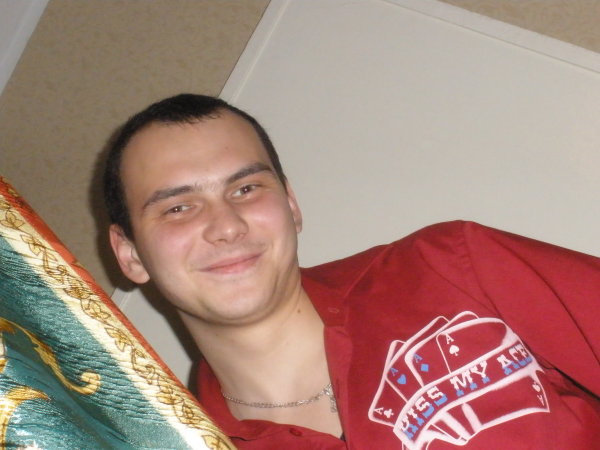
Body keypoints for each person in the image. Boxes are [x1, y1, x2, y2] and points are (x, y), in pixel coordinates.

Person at [103, 94, 600, 449]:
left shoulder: (448, 267)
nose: (227, 226)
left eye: (246, 189)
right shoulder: (192, 443)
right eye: (178, 208)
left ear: (291, 204)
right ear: (130, 255)